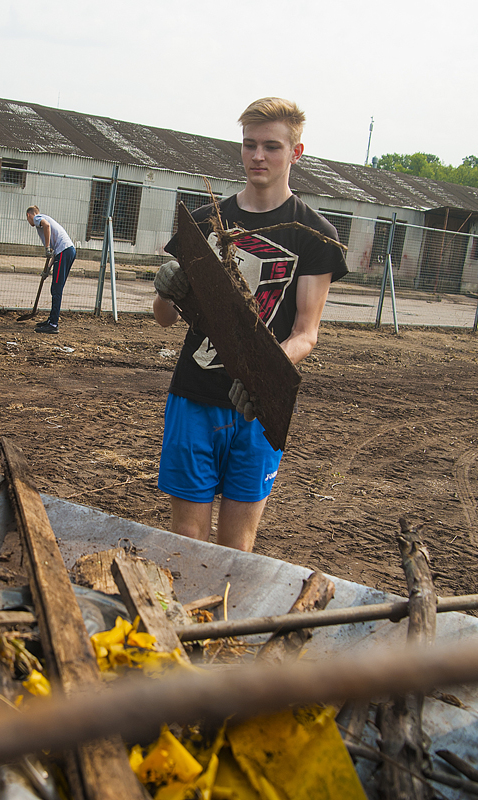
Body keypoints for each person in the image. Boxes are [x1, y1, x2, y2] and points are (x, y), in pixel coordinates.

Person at [152, 97, 348, 552]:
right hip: (194, 398)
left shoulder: (315, 236)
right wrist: (165, 290)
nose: (258, 156)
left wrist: (263, 375)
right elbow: (164, 319)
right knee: (187, 539)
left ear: (295, 153)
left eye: (272, 147)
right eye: (249, 144)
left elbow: (305, 334)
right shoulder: (204, 223)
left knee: (236, 546)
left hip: (257, 410)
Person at [25, 206, 76, 334]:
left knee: (56, 289)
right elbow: (55, 253)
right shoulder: (44, 219)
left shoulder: (37, 218)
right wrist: (48, 269)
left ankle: (53, 325)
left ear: (28, 215)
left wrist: (46, 248)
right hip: (66, 251)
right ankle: (51, 320)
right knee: (56, 288)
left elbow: (46, 226)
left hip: (64, 252)